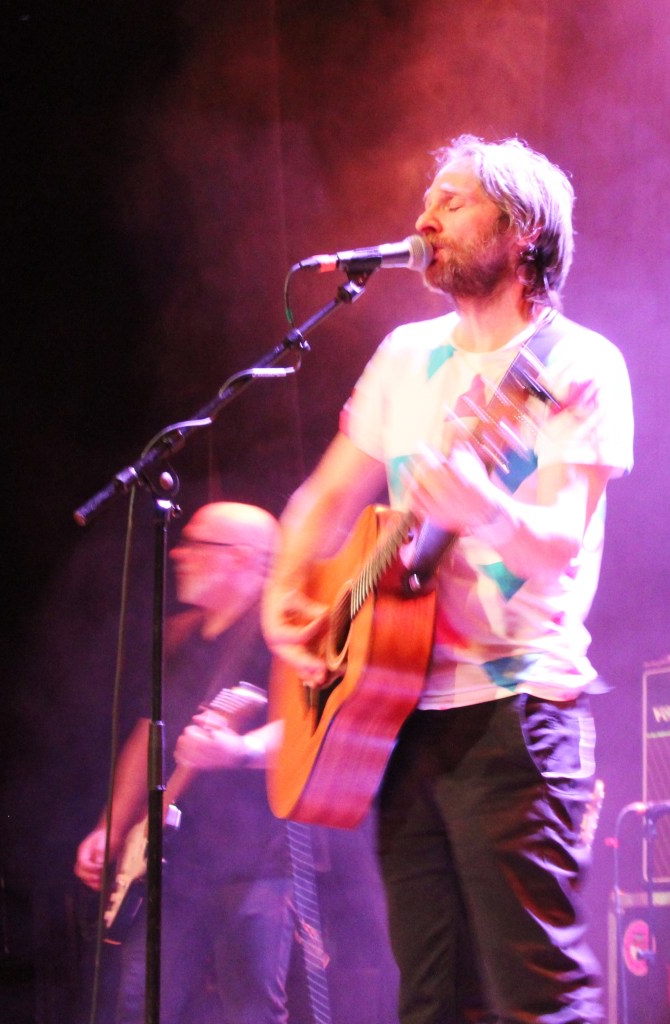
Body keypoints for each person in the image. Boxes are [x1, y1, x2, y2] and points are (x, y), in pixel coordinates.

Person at [262, 135, 634, 1024]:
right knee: (431, 1001)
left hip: (518, 714)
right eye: (428, 199)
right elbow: (324, 500)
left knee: (535, 996)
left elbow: (560, 545)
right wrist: (285, 600)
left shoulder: (578, 363)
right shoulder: (404, 355)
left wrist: (483, 509)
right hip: (397, 712)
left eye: (454, 201)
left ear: (522, 230)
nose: (425, 218)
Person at [75, 502, 294, 1024]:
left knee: (251, 1013)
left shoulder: (281, 632)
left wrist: (238, 751)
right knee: (139, 1007)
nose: (178, 553)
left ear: (242, 557)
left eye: (197, 544)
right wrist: (112, 825)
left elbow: (311, 731)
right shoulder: (176, 637)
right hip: (171, 865)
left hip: (254, 864)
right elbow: (145, 737)